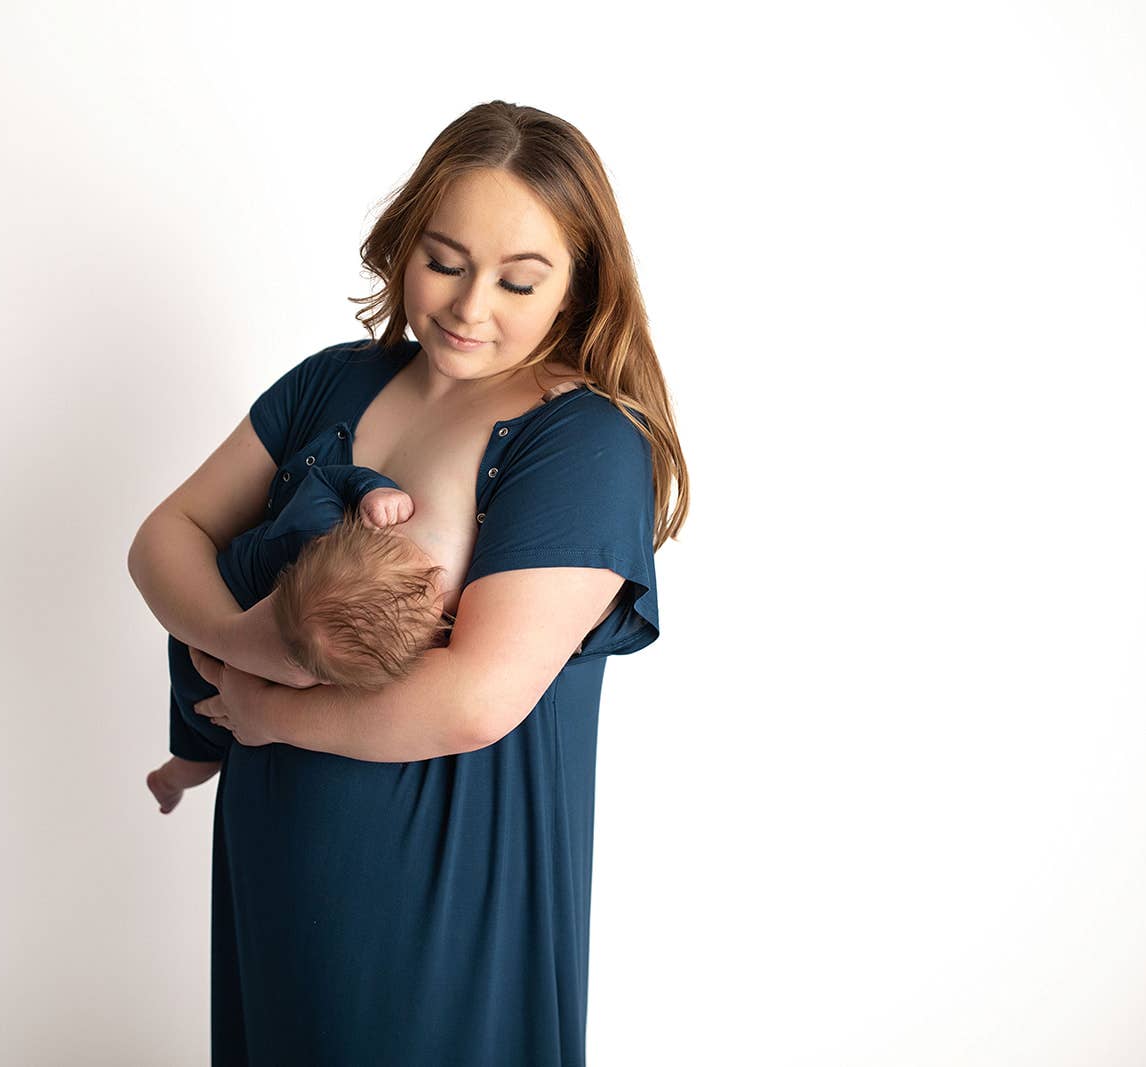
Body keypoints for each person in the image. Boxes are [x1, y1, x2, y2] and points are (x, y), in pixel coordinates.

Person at [128, 100, 690, 1067]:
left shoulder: (586, 442)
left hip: (447, 895)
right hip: (276, 861)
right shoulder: (331, 383)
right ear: (402, 247)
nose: (472, 308)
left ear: (579, 284)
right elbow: (163, 538)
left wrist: (265, 708)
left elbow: (477, 698)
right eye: (444, 262)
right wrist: (247, 637)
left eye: (520, 280)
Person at [146, 462, 455, 815]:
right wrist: (372, 489)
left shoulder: (326, 610)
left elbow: (329, 478)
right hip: (200, 636)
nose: (441, 590)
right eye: (429, 577)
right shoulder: (311, 521)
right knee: (200, 751)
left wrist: (372, 492)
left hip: (242, 638)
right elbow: (327, 476)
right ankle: (170, 780)